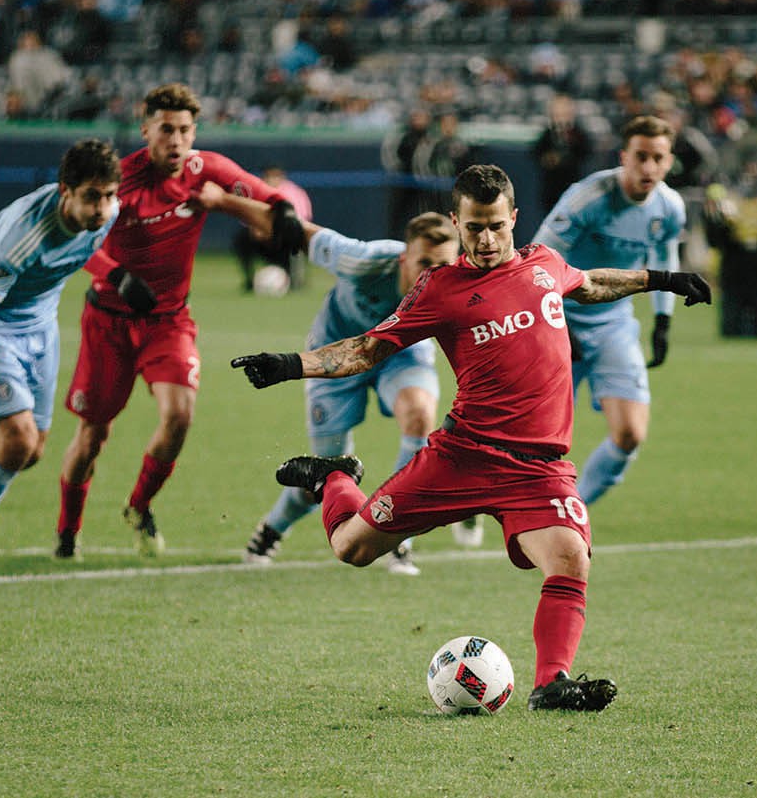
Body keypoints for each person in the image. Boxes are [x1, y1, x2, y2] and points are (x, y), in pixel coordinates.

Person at [230, 164, 711, 710]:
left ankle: (551, 683)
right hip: (461, 457)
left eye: (496, 227)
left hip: (538, 468)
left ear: (514, 219)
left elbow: (592, 283)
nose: (485, 240)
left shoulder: (545, 264)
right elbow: (367, 349)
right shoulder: (440, 289)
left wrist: (661, 279)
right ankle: (336, 477)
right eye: (475, 227)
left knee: (571, 557)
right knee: (351, 548)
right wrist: (289, 364)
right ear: (457, 222)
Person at [54, 84, 305, 560]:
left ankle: (139, 506)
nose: (176, 140)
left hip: (169, 322)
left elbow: (259, 190)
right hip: (108, 322)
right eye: (166, 129)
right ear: (145, 129)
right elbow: (74, 239)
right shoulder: (119, 180)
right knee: (94, 435)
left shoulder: (204, 169)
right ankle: (67, 532)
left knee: (179, 415)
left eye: (185, 130)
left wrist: (284, 209)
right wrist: (116, 275)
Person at [241, 209, 470, 574]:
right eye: (423, 264)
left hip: (402, 355)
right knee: (328, 473)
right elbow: (303, 232)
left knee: (419, 413)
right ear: (403, 258)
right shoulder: (364, 260)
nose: (432, 275)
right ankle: (272, 529)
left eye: (442, 265)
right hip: (333, 355)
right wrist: (237, 202)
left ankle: (399, 539)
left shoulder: (461, 283)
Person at [0, 139, 123, 578]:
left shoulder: (109, 212)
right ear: (65, 192)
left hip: (40, 328)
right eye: (91, 197)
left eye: (109, 195)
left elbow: (79, 250)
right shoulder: (24, 234)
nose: (102, 208)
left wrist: (116, 274)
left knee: (32, 451)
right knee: (17, 440)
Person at [530, 115, 686, 506]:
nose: (649, 167)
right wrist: (559, 324)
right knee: (536, 442)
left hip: (613, 323)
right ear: (624, 157)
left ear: (669, 161)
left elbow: (664, 255)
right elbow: (538, 262)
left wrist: (663, 319)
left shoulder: (669, 207)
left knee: (630, 433)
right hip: (557, 323)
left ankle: (573, 511)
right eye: (641, 156)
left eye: (658, 158)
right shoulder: (588, 198)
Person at [232, 165, 312, 293]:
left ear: (282, 177)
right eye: (269, 176)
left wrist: (274, 230)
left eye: (276, 176)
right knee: (242, 237)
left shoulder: (294, 192)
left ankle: (295, 280)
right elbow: (245, 215)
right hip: (262, 237)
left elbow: (301, 220)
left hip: (284, 239)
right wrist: (256, 228)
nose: (272, 179)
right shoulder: (255, 190)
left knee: (295, 236)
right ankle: (249, 281)